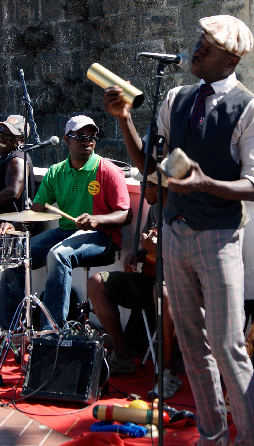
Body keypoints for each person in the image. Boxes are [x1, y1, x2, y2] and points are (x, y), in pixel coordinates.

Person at [104, 15, 254, 445]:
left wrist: (205, 183)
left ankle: (249, 440)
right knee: (192, 348)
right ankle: (212, 434)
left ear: (231, 58)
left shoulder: (253, 110)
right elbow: (149, 168)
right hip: (174, 235)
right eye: (199, 39)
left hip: (219, 238)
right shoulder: (176, 99)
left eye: (209, 44)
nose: (197, 48)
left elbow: (253, 185)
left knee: (227, 346)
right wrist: (124, 119)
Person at [0, 115, 131, 331]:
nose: (86, 141)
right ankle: (9, 330)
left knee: (58, 255)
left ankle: (52, 330)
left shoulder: (107, 170)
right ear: (67, 139)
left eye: (91, 137)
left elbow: (125, 214)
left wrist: (97, 220)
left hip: (103, 238)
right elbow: (36, 211)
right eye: (80, 136)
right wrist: (15, 226)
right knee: (16, 253)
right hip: (66, 233)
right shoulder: (56, 172)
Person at [86, 168, 181, 399]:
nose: (141, 190)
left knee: (164, 293)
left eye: (145, 186)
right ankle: (122, 356)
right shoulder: (155, 209)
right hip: (149, 280)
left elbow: (183, 258)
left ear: (158, 187)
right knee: (97, 283)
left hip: (176, 285)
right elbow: (148, 249)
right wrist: (136, 256)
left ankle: (168, 373)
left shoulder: (183, 212)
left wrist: (155, 249)